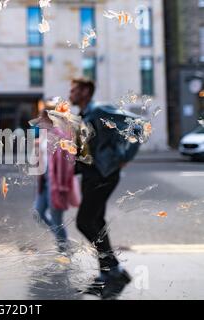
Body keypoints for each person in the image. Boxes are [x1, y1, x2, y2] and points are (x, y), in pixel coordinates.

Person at [69, 78, 140, 299]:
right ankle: (110, 273)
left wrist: (124, 157)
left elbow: (137, 124)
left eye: (74, 90)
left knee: (84, 221)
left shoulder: (99, 110)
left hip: (104, 173)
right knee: (95, 222)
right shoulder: (84, 115)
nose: (70, 93)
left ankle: (113, 271)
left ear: (85, 91)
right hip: (91, 174)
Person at [34, 107, 80, 252]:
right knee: (38, 213)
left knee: (57, 220)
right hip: (45, 182)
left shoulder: (61, 136)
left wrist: (62, 187)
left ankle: (64, 250)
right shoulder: (44, 135)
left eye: (42, 118)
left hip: (58, 184)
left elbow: (67, 164)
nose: (40, 121)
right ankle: (64, 242)